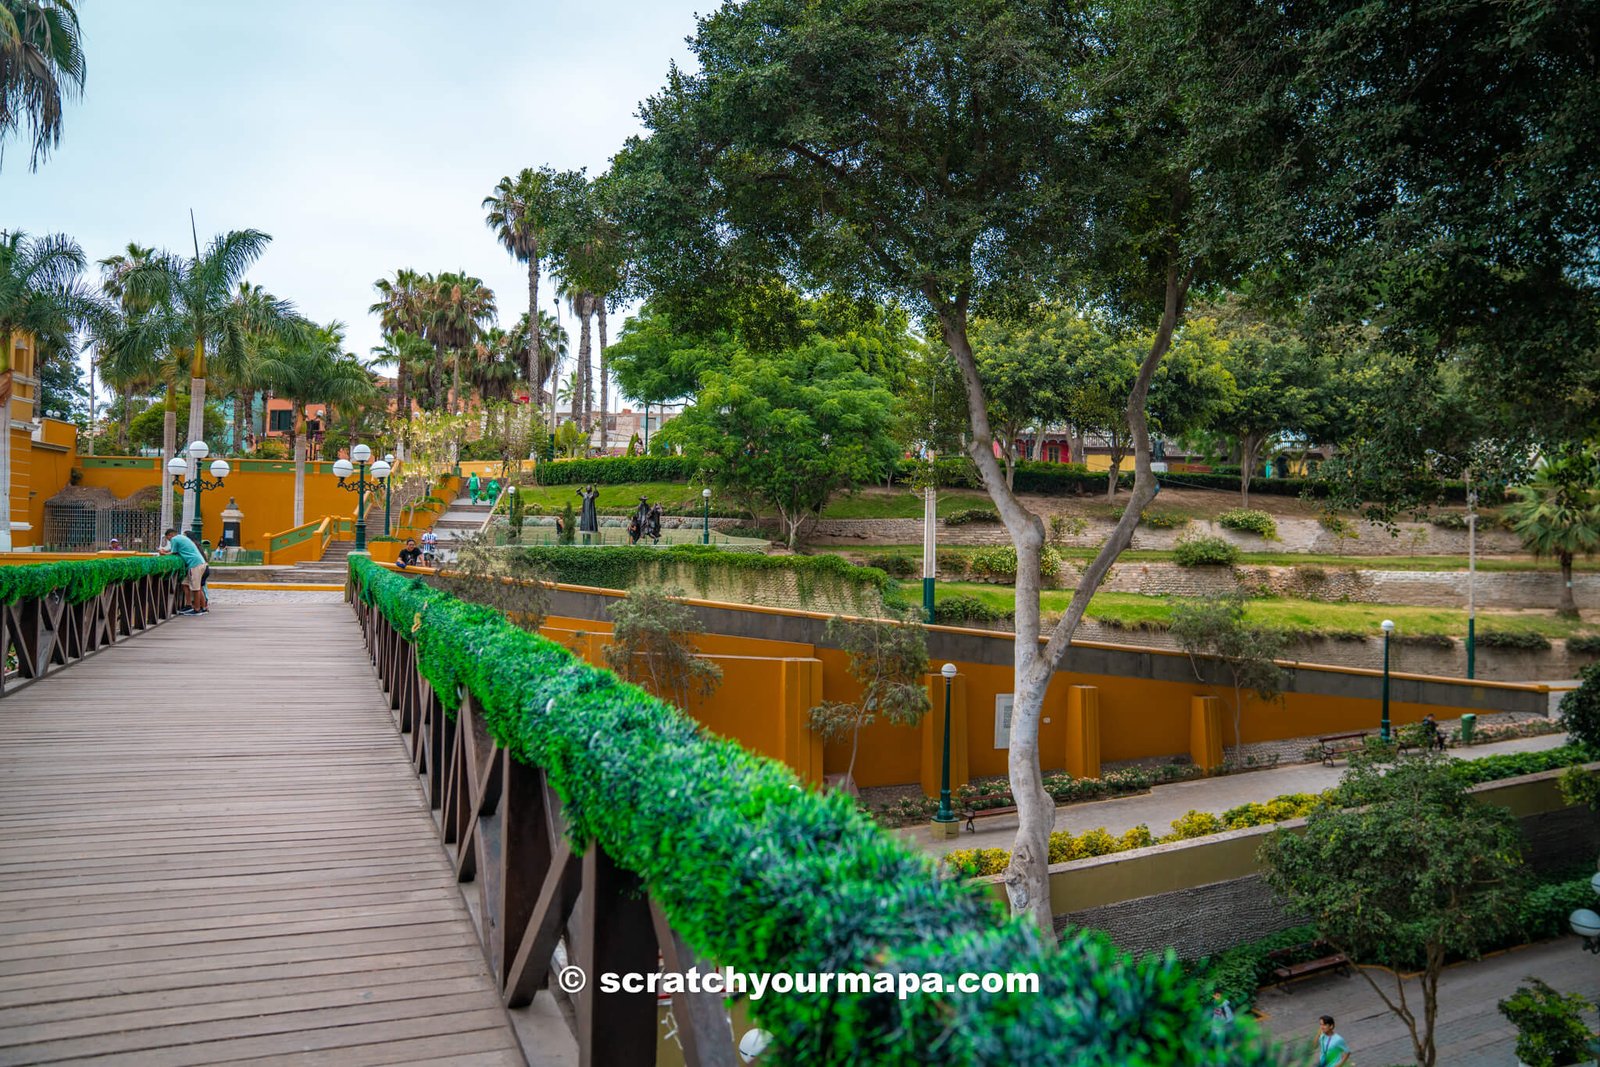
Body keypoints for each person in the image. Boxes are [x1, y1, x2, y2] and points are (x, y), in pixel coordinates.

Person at [161, 527, 209, 616]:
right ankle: (190, 605)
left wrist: (164, 553)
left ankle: (197, 609)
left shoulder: (175, 539)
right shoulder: (182, 538)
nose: (169, 541)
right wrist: (167, 551)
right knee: (185, 583)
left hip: (195, 564)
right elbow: (177, 550)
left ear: (170, 535)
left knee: (195, 588)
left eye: (168, 539)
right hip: (198, 563)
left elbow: (174, 552)